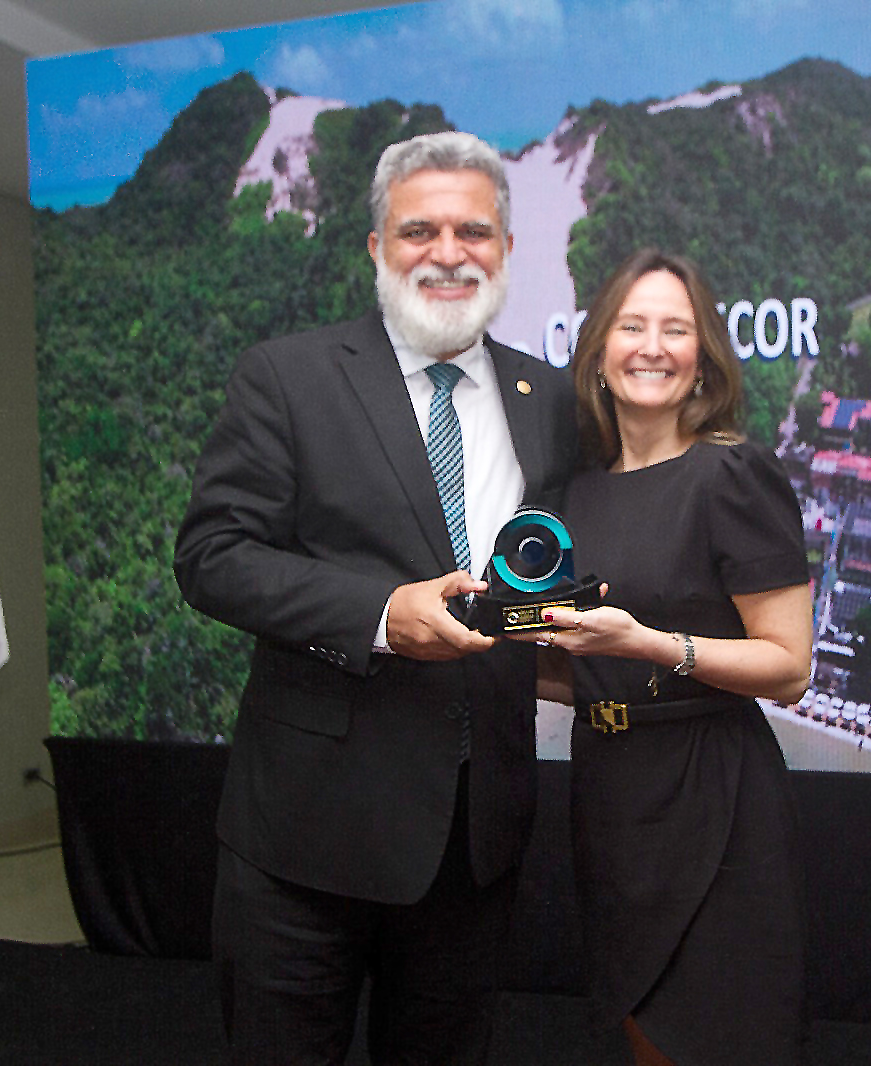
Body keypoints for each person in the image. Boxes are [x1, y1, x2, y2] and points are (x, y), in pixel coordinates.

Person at [174, 131, 576, 1065]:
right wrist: (382, 615)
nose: (447, 253)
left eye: (473, 230)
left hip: (474, 846)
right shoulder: (289, 376)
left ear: (507, 250)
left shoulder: (547, 397)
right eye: (418, 230)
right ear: (376, 248)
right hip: (306, 840)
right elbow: (212, 556)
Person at [532, 248, 814, 1065]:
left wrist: (648, 643)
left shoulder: (733, 473)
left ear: (703, 359)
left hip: (715, 801)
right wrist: (482, 655)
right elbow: (585, 669)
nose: (651, 345)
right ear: (597, 354)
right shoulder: (573, 497)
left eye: (675, 329)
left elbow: (790, 668)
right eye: (632, 326)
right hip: (610, 798)